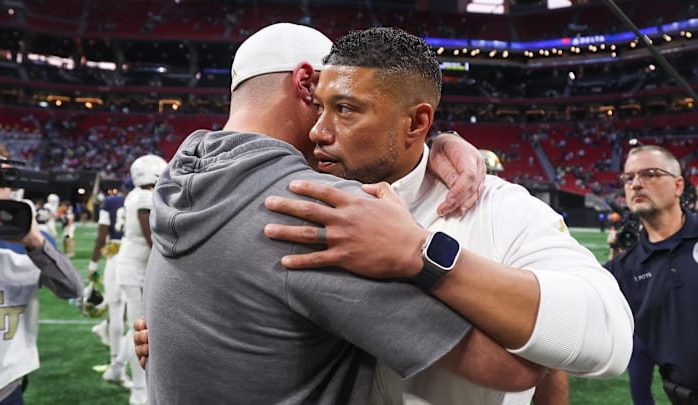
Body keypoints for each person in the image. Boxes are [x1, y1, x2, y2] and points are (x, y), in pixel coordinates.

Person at [141, 23, 545, 404]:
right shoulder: (315, 209)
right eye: (329, 101)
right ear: (305, 83)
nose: (326, 126)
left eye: (346, 106)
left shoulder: (176, 181)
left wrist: (436, 142)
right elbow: (513, 369)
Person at [260, 26, 634, 403]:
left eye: (344, 109)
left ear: (416, 123)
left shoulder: (497, 207)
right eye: (319, 107)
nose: (318, 132)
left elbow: (609, 336)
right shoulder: (296, 193)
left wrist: (423, 254)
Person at [0, 140, 83, 404]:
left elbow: (71, 289)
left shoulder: (31, 241)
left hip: (2, 387)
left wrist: (36, 243)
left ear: (11, 185)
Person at [604, 145, 698, 405]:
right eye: (629, 178)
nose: (636, 184)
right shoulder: (623, 270)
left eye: (650, 174)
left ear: (678, 186)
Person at [102, 154, 166, 405]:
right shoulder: (144, 198)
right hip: (136, 268)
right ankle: (138, 390)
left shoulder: (133, 195)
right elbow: (151, 237)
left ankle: (117, 368)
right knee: (139, 329)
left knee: (137, 327)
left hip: (129, 265)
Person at [87, 186, 127, 369]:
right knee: (124, 310)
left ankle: (104, 330)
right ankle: (116, 364)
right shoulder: (146, 199)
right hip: (133, 256)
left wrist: (93, 266)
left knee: (119, 308)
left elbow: (101, 237)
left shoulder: (111, 202)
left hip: (116, 256)